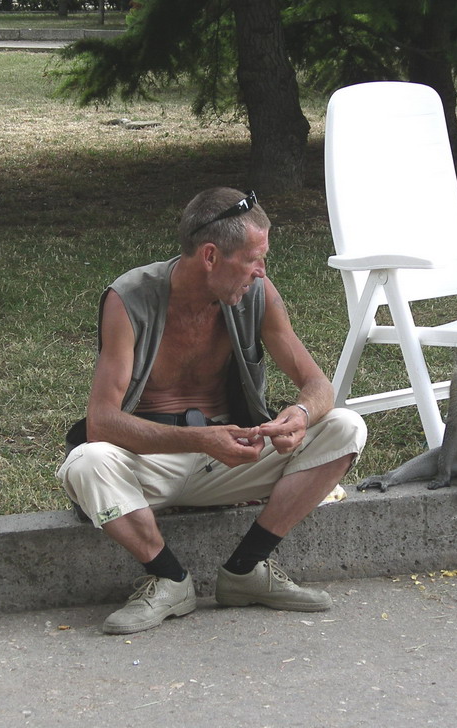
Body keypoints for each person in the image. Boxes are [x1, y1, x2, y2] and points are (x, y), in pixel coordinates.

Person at [57, 187, 367, 635]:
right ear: (210, 256)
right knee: (86, 463)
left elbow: (318, 386)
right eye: (253, 258)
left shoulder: (258, 293)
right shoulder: (129, 299)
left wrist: (300, 414)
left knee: (345, 427)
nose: (262, 271)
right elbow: (102, 422)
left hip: (231, 457)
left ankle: (246, 570)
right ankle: (169, 580)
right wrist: (200, 440)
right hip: (149, 466)